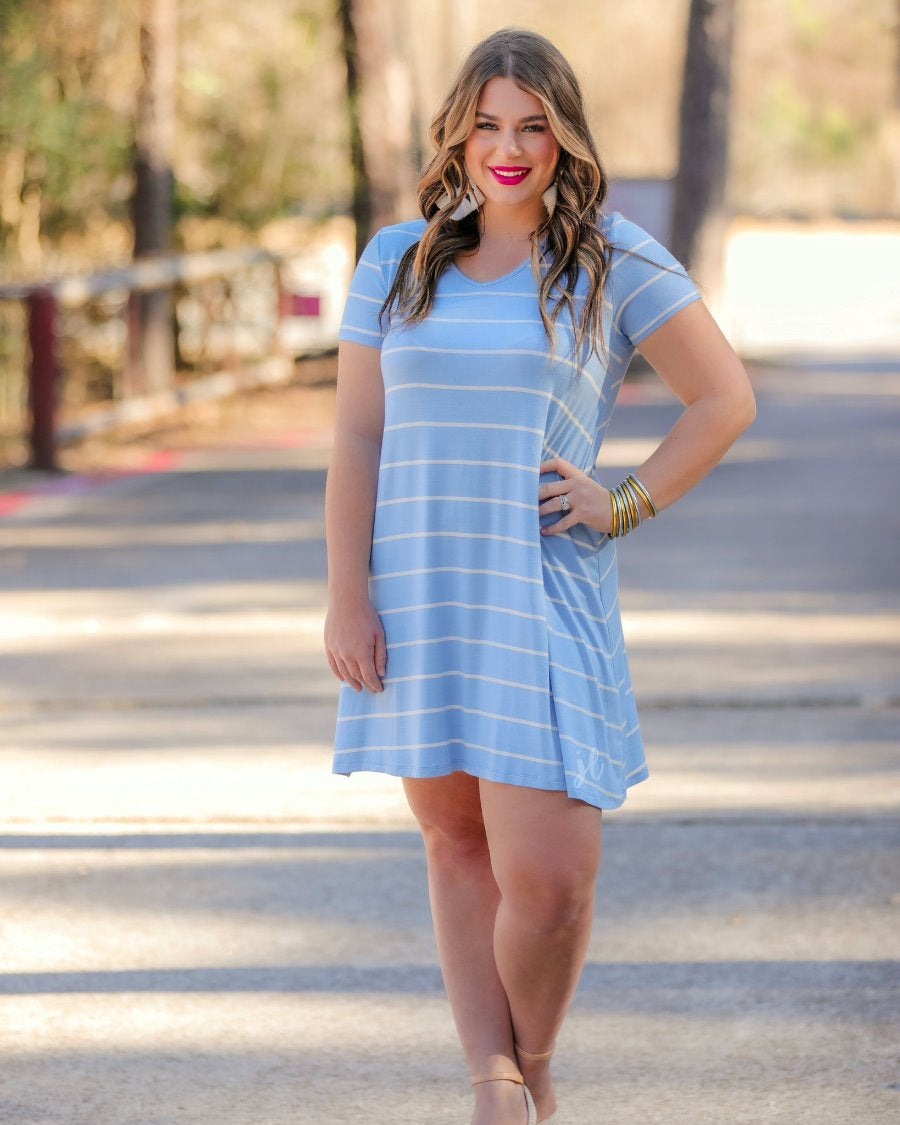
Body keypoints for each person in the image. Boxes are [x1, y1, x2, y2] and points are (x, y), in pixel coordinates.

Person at [323, 25, 756, 1125]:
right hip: (419, 595)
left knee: (554, 882)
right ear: (456, 136)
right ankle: (495, 1081)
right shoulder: (395, 261)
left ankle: (535, 1061)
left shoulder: (610, 257)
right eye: (487, 126)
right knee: (457, 843)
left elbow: (724, 399)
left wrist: (624, 501)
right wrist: (347, 596)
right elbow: (359, 436)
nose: (508, 149)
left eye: (533, 126)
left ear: (566, 136)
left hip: (541, 595)